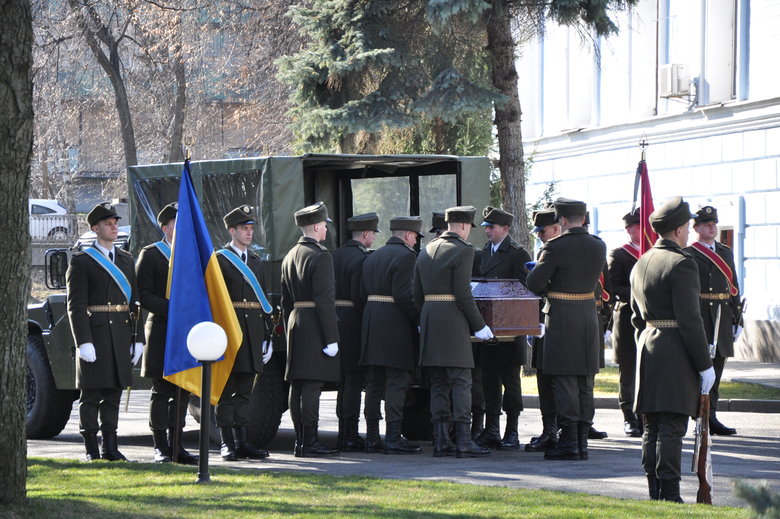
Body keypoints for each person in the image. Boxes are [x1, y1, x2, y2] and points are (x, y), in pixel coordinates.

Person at [630, 196, 715, 503]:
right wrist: (705, 365)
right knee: (672, 426)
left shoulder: (641, 262)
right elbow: (690, 320)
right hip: (675, 350)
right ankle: (670, 493)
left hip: (648, 346)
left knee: (652, 426)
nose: (689, 232)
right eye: (687, 227)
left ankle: (655, 491)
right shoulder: (682, 263)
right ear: (679, 230)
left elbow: (636, 318)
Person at [525, 197, 606, 461]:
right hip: (588, 317)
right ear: (583, 219)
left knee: (565, 380)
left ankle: (570, 442)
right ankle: (581, 442)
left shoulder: (554, 247)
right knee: (585, 381)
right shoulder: (598, 245)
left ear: (561, 220)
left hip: (561, 318)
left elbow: (534, 283)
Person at [66, 202, 144, 462]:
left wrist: (138, 339)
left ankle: (110, 447)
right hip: (95, 335)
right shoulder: (81, 261)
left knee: (113, 393)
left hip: (121, 334)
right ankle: (91, 448)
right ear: (95, 228)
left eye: (115, 223)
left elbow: (135, 302)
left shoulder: (126, 259)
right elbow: (75, 306)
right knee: (91, 394)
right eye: (108, 224)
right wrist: (83, 341)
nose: (114, 228)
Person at [414, 205, 494, 458]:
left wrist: (425, 318)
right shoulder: (463, 250)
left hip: (430, 318)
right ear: (463, 225)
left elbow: (416, 293)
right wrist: (479, 325)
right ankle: (463, 440)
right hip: (452, 320)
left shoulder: (427, 249)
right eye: (469, 227)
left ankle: (441, 440)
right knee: (461, 380)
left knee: (438, 381)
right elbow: (463, 293)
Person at [136, 202, 198, 464]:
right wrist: (173, 309)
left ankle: (177, 445)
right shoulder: (150, 255)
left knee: (182, 390)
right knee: (162, 391)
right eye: (176, 223)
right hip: (162, 329)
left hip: (185, 332)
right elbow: (143, 295)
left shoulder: (192, 255)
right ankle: (160, 445)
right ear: (165, 227)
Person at [282, 201, 340, 457]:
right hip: (315, 324)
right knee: (312, 385)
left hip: (296, 322)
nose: (326, 229)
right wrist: (331, 338)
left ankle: (300, 441)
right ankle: (311, 441)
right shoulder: (320, 255)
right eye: (324, 225)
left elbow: (285, 302)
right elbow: (324, 301)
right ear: (316, 227)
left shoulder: (290, 255)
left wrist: (290, 328)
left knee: (297, 384)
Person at [215, 205, 273, 461]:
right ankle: (227, 442)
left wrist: (266, 336)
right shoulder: (220, 260)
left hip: (252, 332)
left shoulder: (256, 262)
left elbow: (262, 302)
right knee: (226, 391)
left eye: (251, 228)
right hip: (230, 331)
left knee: (246, 391)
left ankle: (243, 441)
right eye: (244, 228)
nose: (249, 233)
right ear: (232, 231)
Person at [361, 216, 423, 454]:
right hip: (394, 325)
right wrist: (419, 319)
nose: (415, 241)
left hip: (371, 323)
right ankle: (393, 437)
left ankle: (371, 437)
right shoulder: (406, 256)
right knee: (397, 381)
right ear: (407, 235)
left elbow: (361, 293)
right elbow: (404, 294)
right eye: (415, 236)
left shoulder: (373, 256)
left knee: (374, 383)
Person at [471, 206, 531, 450]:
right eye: (486, 227)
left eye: (491, 227)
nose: (487, 231)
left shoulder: (518, 254)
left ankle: (512, 430)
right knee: (489, 381)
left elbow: (525, 289)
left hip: (510, 329)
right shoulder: (482, 253)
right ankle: (492, 429)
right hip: (488, 327)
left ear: (505, 228)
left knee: (511, 382)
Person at [684, 205, 743, 436]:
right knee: (698, 368)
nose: (712, 228)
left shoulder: (725, 252)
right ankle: (697, 414)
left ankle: (712, 415)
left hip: (722, 315)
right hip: (700, 315)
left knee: (717, 369)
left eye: (714, 224)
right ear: (696, 228)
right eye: (706, 225)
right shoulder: (689, 253)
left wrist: (738, 319)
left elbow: (734, 285)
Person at [331, 213, 378, 451]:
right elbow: (359, 296)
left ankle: (343, 432)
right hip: (353, 321)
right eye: (373, 234)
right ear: (366, 234)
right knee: (353, 380)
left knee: (343, 381)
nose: (373, 238)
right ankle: (349, 434)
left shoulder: (334, 255)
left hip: (335, 319)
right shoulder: (361, 258)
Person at [524, 206, 561, 452]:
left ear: (556, 228)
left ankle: (563, 430)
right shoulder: (544, 251)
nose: (539, 235)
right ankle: (549, 429)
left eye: (543, 230)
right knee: (544, 378)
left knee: (558, 379)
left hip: (559, 321)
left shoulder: (560, 250)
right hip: (543, 320)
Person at [608, 208, 643, 437]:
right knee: (628, 370)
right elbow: (613, 288)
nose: (643, 230)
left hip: (650, 319)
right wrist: (641, 293)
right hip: (628, 318)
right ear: (629, 229)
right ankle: (629, 416)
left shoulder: (652, 253)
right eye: (638, 226)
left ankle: (644, 415)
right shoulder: (620, 255)